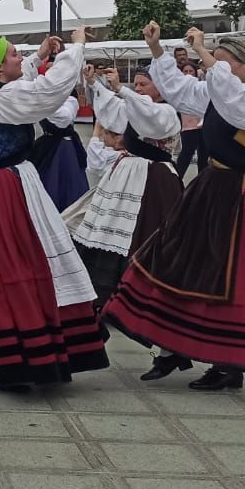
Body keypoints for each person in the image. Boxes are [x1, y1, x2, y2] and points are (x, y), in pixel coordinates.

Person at [104, 25, 245, 392]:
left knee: (227, 276)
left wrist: (204, 53)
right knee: (177, 259)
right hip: (213, 186)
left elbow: (237, 106)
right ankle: (172, 344)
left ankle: (228, 362)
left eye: (226, 61)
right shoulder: (221, 92)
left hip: (243, 194)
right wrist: (156, 49)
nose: (217, 67)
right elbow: (181, 91)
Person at [0, 28, 108, 390]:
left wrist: (40, 56)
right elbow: (47, 92)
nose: (21, 58)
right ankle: (21, 357)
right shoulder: (0, 98)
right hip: (3, 190)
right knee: (20, 265)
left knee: (3, 268)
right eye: (14, 55)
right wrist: (75, 48)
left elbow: (25, 84)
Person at [71, 66, 182, 308]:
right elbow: (114, 110)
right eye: (137, 84)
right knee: (108, 229)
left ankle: (142, 295)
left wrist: (122, 89)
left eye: (144, 85)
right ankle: (110, 292)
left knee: (146, 229)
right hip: (128, 173)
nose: (138, 89)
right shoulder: (136, 107)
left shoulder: (167, 112)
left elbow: (149, 118)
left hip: (154, 178)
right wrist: (95, 84)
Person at [26, 42, 88, 212]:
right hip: (46, 146)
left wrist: (40, 103)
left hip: (64, 149)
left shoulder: (70, 98)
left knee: (67, 193)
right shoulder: (45, 94)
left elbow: (63, 118)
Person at [173, 60, 209, 178]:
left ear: (195, 73)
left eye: (190, 71)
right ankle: (177, 179)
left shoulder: (202, 86)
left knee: (204, 155)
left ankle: (202, 182)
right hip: (188, 126)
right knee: (186, 154)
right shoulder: (178, 88)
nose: (188, 73)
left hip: (204, 125)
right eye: (185, 71)